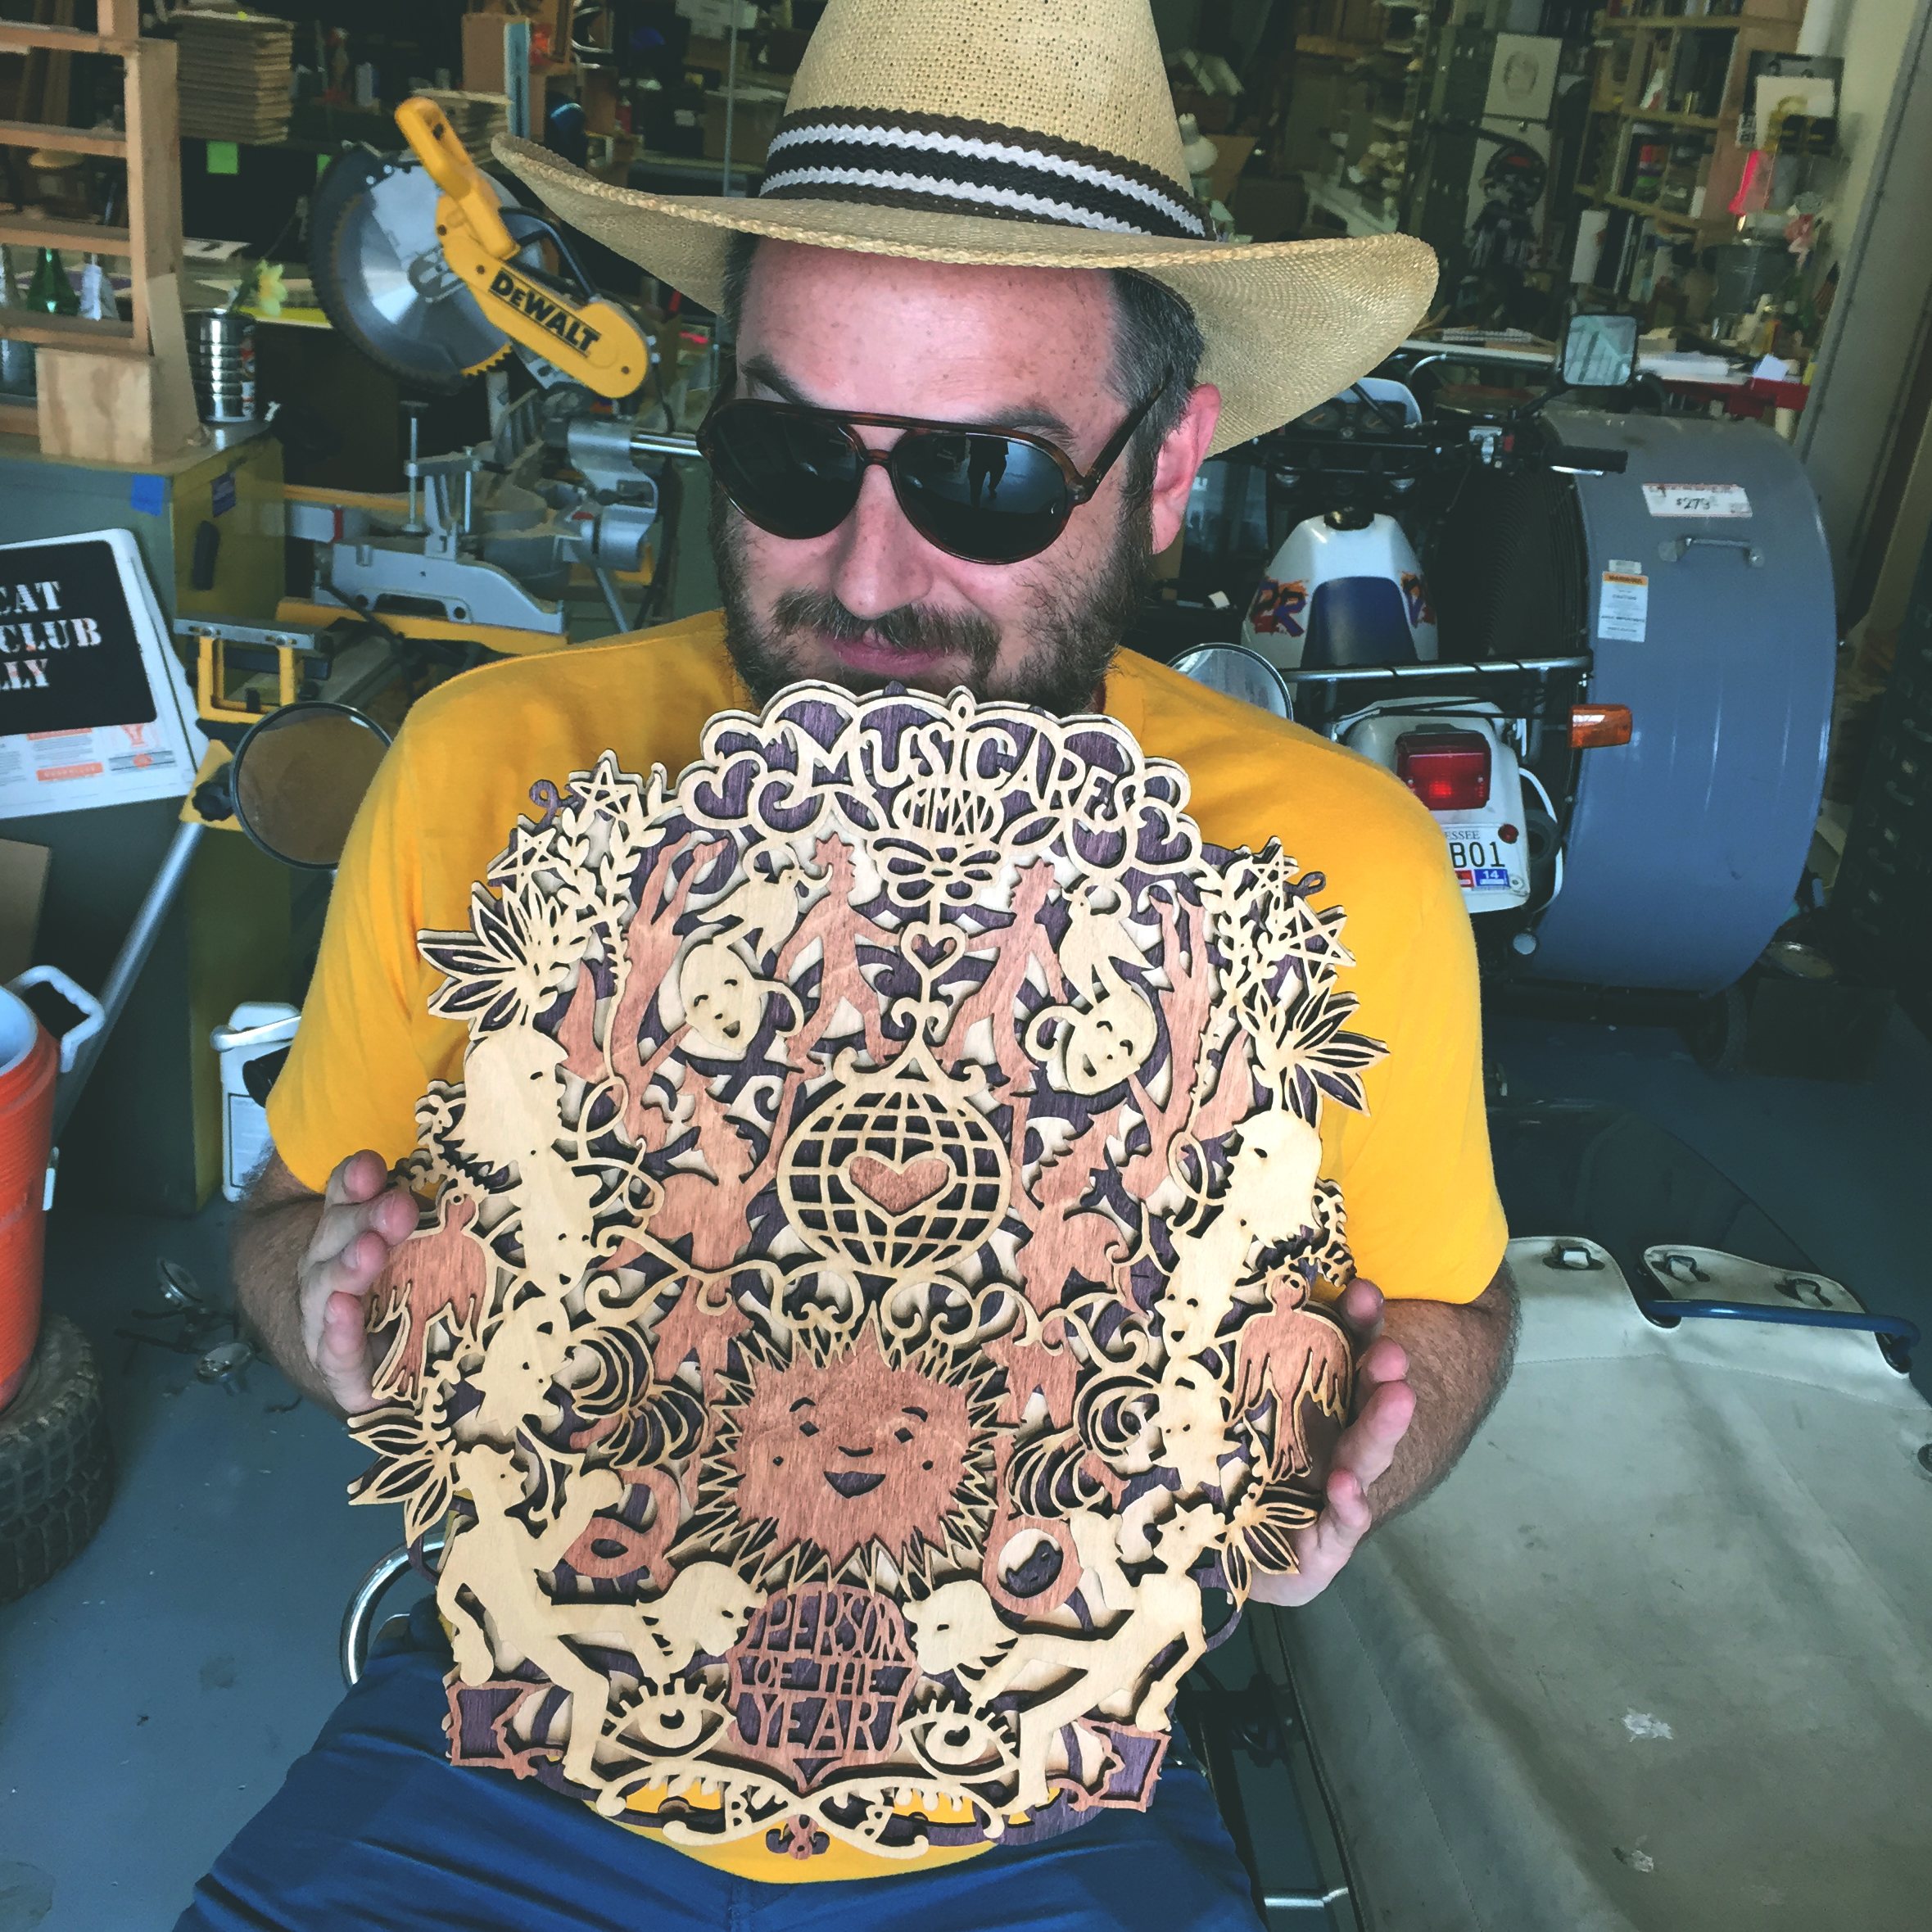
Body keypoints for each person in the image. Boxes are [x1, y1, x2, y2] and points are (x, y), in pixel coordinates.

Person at [183, 1, 1516, 1925]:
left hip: (1046, 1778)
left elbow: (1452, 1315)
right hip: (519, 1731)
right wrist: (330, 1302)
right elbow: (282, 1216)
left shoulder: (1335, 867)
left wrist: (1369, 1433)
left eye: (988, 478)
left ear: (1165, 467)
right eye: (793, 453)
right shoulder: (489, 772)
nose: (871, 577)